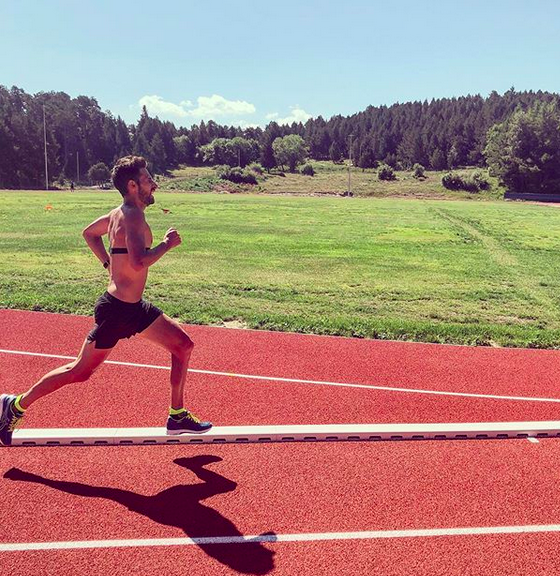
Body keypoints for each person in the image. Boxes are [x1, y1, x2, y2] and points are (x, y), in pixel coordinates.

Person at [0, 156, 212, 446]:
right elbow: (138, 262)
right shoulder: (132, 216)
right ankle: (15, 405)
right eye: (148, 179)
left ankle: (177, 416)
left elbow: (89, 234)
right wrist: (167, 244)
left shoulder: (118, 213)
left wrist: (107, 263)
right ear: (133, 185)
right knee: (79, 371)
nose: (154, 184)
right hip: (117, 311)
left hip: (134, 308)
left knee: (182, 346)